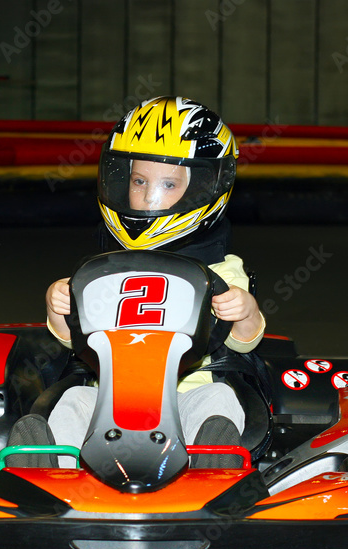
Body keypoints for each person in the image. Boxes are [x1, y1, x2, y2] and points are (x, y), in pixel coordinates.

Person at [44, 96, 265, 449]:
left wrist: (245, 311)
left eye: (168, 185)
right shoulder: (102, 267)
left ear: (203, 188)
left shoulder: (222, 269)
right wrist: (57, 307)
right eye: (139, 182)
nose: (148, 198)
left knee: (220, 400)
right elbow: (72, 340)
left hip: (188, 394)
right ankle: (51, 471)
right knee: (71, 403)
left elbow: (245, 341)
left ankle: (213, 461)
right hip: (110, 400)